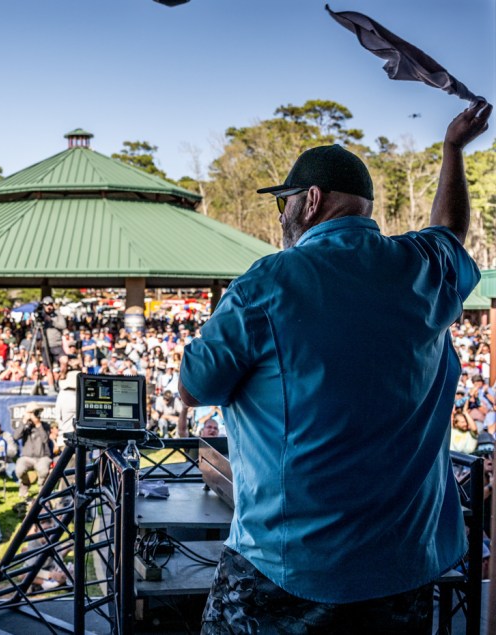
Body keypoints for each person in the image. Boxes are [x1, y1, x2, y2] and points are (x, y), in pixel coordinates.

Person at [179, 101, 492, 632]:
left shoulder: (266, 283)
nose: (280, 216)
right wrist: (452, 150)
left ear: (311, 200)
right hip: (404, 566)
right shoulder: (424, 267)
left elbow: (194, 387)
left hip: (289, 564)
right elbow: (450, 231)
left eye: (284, 202)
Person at [13, 409, 54, 500]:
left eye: (34, 413)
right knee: (19, 469)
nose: (32, 416)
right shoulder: (25, 426)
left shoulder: (45, 425)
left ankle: (42, 488)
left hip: (43, 457)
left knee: (43, 470)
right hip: (27, 458)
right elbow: (15, 437)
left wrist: (38, 424)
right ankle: (25, 483)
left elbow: (45, 439)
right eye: (30, 413)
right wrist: (24, 421)